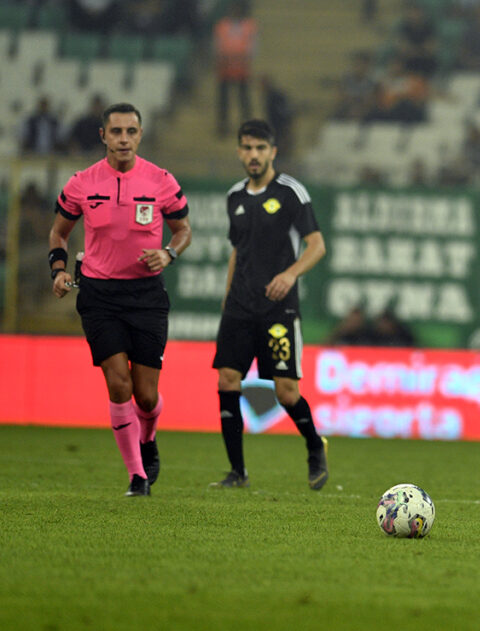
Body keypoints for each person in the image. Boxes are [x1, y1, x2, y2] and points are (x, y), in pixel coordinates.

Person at [48, 102, 192, 497]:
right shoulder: (81, 183)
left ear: (140, 135)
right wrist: (58, 270)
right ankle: (137, 476)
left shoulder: (161, 181)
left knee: (146, 395)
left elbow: (183, 230)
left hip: (146, 296)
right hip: (100, 296)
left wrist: (169, 253)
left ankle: (148, 437)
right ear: (103, 136)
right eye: (116, 131)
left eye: (131, 131)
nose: (124, 139)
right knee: (118, 384)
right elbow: (59, 233)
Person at [211, 119, 328, 490]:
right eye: (247, 148)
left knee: (285, 391)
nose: (254, 155)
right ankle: (237, 472)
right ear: (239, 152)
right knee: (227, 379)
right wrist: (227, 298)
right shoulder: (235, 196)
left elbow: (317, 246)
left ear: (273, 152)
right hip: (239, 306)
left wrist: (290, 275)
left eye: (261, 148)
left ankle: (314, 446)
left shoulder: (291, 191)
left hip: (278, 308)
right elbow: (237, 251)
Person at [213, 1, 257, 135]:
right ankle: (223, 124)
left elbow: (253, 44)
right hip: (225, 65)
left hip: (242, 65)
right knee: (224, 98)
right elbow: (217, 43)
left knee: (243, 97)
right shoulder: (222, 25)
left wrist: (246, 57)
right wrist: (220, 57)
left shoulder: (249, 25)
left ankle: (247, 123)